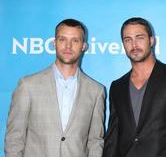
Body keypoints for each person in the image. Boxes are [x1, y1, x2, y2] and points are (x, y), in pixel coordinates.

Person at [5, 19, 105, 157]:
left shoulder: (96, 91)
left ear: (83, 46)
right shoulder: (28, 86)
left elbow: (95, 142)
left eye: (75, 40)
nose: (68, 46)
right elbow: (14, 140)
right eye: (62, 39)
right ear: (54, 43)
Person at [104, 17, 166, 157]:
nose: (134, 45)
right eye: (128, 39)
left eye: (139, 37)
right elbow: (112, 138)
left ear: (151, 40)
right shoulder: (117, 86)